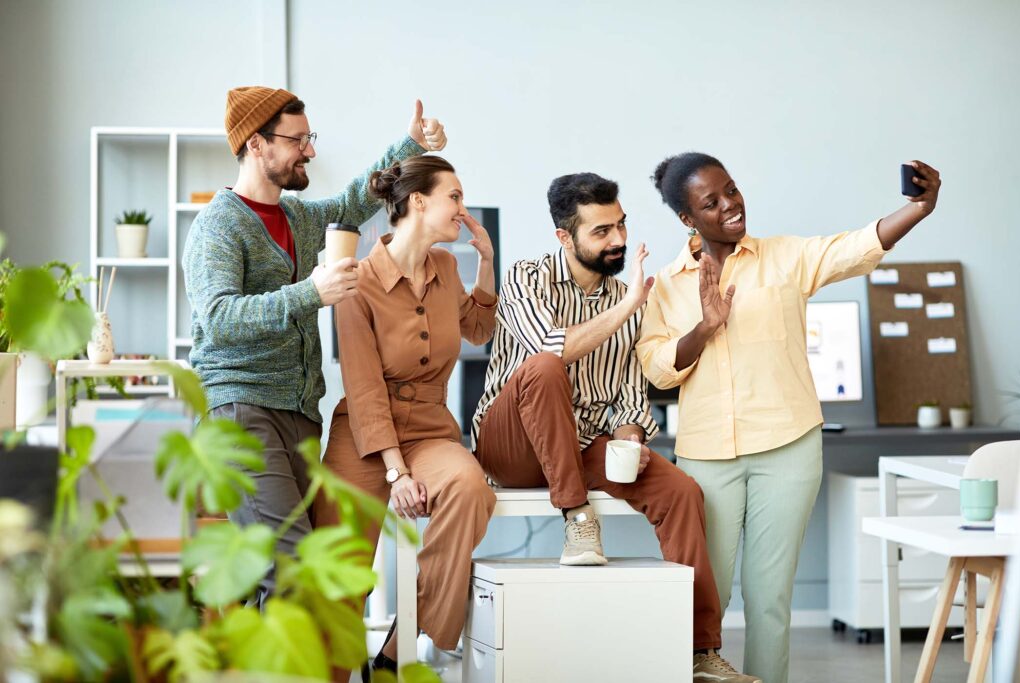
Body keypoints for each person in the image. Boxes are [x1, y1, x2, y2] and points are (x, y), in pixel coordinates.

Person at [637, 153, 941, 683]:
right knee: (705, 594)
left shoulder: (784, 257)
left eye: (732, 190)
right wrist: (704, 328)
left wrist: (918, 208)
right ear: (687, 219)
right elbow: (657, 369)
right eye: (711, 202)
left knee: (770, 596)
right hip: (706, 456)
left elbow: (854, 248)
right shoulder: (666, 285)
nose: (731, 205)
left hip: (788, 447)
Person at [472, 172, 758, 682]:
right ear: (565, 237)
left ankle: (700, 650)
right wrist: (628, 307)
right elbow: (552, 348)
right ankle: (576, 515)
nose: (619, 239)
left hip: (580, 442)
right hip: (510, 446)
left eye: (621, 225)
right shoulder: (525, 277)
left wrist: (629, 435)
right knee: (544, 367)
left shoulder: (627, 297)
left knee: (681, 492)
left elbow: (628, 393)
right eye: (602, 231)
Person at [182, 86, 446, 606]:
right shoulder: (218, 225)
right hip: (241, 410)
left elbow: (352, 202)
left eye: (310, 137)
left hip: (299, 416)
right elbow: (218, 319)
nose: (310, 150)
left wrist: (410, 145)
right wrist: (311, 292)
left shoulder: (298, 218)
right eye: (297, 140)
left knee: (285, 581)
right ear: (256, 144)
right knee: (290, 575)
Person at [312, 155, 497, 678]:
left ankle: (398, 648)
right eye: (454, 197)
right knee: (339, 570)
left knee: (469, 487)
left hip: (430, 430)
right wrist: (395, 472)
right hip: (363, 434)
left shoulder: (447, 267)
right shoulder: (357, 278)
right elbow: (364, 385)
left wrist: (486, 262)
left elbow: (478, 329)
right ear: (419, 201)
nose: (461, 208)